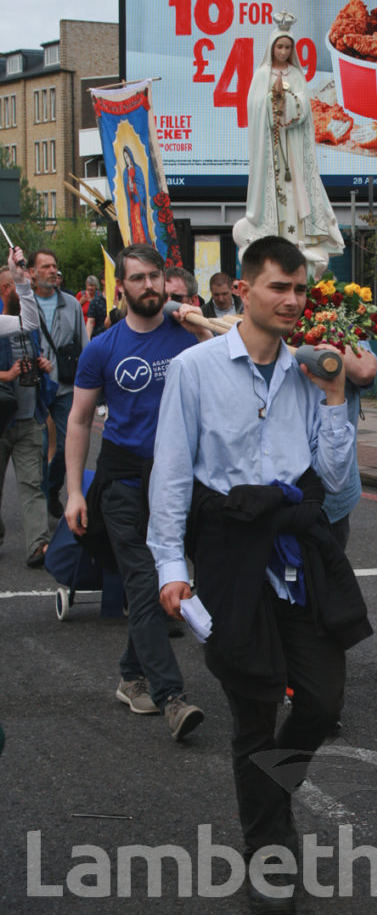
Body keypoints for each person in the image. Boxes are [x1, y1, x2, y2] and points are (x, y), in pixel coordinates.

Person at [148, 236, 371, 913]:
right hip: (229, 546)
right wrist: (168, 566)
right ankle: (270, 854)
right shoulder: (194, 368)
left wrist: (335, 399)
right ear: (243, 291)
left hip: (298, 544)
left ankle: (268, 794)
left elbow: (337, 491)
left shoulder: (312, 369)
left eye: (301, 289)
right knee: (252, 710)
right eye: (281, 287)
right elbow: (172, 471)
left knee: (323, 703)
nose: (294, 301)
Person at [64, 244, 208, 742]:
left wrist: (202, 326)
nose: (149, 286)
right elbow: (80, 420)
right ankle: (172, 697)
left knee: (182, 579)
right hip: (123, 482)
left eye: (155, 277)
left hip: (180, 482)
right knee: (146, 585)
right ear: (120, 287)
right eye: (138, 279)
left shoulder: (187, 338)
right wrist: (74, 493)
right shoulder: (102, 347)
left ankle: (131, 675)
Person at [233, 15, 344, 279]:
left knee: (296, 191)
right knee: (274, 193)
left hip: (292, 146)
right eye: (279, 47)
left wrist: (289, 100)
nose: (283, 52)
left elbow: (304, 107)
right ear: (271, 48)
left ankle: (298, 237)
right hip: (271, 147)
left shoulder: (296, 74)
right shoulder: (262, 75)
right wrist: (272, 101)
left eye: (287, 47)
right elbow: (255, 107)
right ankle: (274, 234)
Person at [0, 248, 53, 566]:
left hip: (29, 416)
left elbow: (29, 322)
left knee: (33, 484)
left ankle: (38, 545)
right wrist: (6, 374)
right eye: (14, 286)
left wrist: (23, 282)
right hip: (0, 420)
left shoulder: (13, 321)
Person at [29, 248, 87, 519]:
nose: (53, 271)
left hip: (64, 385)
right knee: (38, 449)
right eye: (45, 267)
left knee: (65, 446)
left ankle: (51, 490)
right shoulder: (23, 303)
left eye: (54, 266)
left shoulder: (71, 304)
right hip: (34, 387)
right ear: (31, 273)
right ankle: (39, 504)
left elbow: (83, 345)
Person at [323, 343, 377, 549]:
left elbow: (364, 371)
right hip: (277, 490)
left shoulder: (341, 329)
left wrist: (325, 333)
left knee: (329, 576)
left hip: (331, 498)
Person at [122, 146, 150, 245]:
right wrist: (128, 187)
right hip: (132, 203)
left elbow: (141, 185)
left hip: (138, 202)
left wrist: (134, 186)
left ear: (131, 157)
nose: (127, 160)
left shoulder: (137, 169)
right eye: (125, 158)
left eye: (128, 157)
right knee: (133, 223)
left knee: (139, 222)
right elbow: (126, 188)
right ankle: (136, 242)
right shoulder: (125, 172)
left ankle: (143, 241)